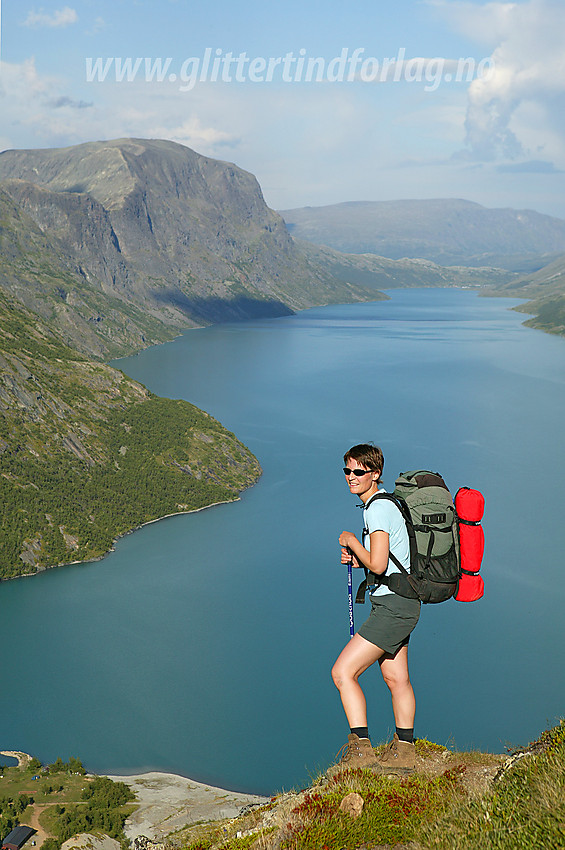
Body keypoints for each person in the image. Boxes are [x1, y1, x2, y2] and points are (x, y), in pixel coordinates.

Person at [330, 443, 420, 773]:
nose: (351, 477)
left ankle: (361, 750)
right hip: (401, 603)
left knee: (342, 673)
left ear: (375, 474)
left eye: (358, 471)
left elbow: (380, 564)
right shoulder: (384, 505)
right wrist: (358, 560)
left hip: (394, 608)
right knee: (396, 678)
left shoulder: (377, 509)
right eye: (347, 471)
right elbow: (384, 564)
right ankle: (405, 751)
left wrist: (353, 541)